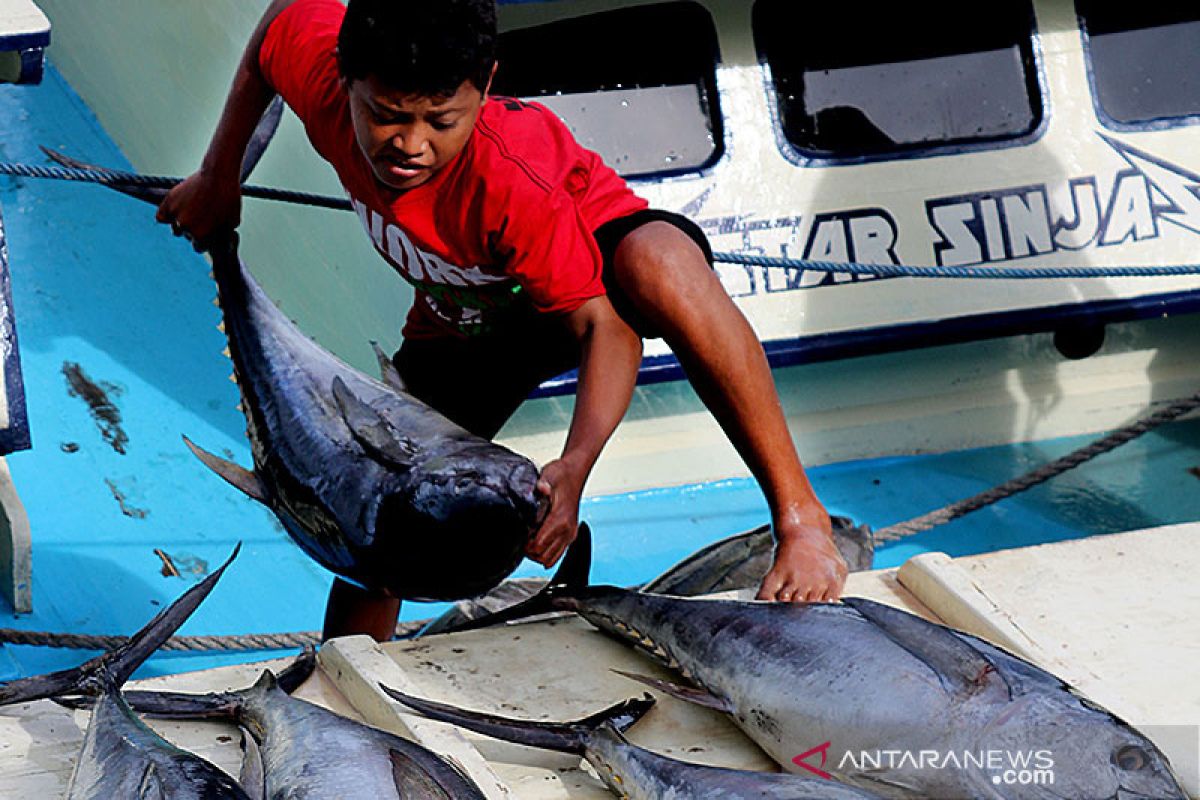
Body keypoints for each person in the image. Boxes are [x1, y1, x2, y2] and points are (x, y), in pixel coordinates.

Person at [157, 0, 848, 641]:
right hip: (468, 317)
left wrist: (574, 469)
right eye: (388, 115)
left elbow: (606, 330)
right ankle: (345, 677)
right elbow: (278, 27)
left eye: (440, 121)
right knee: (376, 517)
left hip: (589, 281)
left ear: (485, 85)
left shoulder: (510, 179)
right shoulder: (322, 76)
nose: (411, 146)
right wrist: (219, 175)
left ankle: (801, 518)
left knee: (659, 261)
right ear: (346, 78)